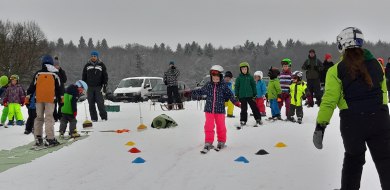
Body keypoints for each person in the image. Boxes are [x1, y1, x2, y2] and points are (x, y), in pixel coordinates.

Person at [313, 27, 390, 190]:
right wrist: (382, 115)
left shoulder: (335, 70)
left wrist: (321, 125)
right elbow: (383, 93)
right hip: (380, 119)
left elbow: (329, 101)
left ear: (342, 45)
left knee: (353, 161)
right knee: (386, 161)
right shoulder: (376, 64)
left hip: (353, 123)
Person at [192, 65, 240, 153]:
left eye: (217, 78)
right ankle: (208, 142)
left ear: (221, 77)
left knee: (221, 126)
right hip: (209, 110)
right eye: (213, 78)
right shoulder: (208, 85)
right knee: (208, 126)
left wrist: (236, 102)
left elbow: (230, 95)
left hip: (220, 110)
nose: (215, 79)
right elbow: (201, 91)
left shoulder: (223, 86)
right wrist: (191, 93)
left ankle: (221, 141)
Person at [27, 55, 62, 147]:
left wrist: (28, 97)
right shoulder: (55, 73)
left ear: (42, 62)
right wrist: (61, 99)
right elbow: (59, 88)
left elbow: (31, 87)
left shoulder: (38, 73)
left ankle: (38, 138)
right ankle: (50, 139)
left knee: (39, 118)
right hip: (50, 99)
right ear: (51, 63)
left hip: (39, 99)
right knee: (49, 118)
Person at [82, 51, 108, 122]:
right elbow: (84, 76)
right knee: (91, 103)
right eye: (92, 56)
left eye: (95, 56)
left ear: (97, 57)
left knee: (100, 103)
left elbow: (105, 76)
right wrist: (84, 86)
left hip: (98, 87)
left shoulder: (101, 65)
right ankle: (94, 118)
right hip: (89, 87)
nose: (93, 57)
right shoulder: (87, 65)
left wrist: (104, 85)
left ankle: (104, 117)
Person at [235, 62, 262, 128]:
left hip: (250, 95)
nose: (244, 70)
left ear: (247, 69)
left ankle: (258, 119)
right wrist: (236, 95)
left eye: (245, 69)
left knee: (254, 107)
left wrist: (255, 94)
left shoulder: (250, 77)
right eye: (242, 69)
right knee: (244, 109)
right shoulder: (239, 78)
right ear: (240, 70)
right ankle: (243, 120)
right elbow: (236, 87)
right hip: (242, 96)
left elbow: (253, 86)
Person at [53, 56, 67, 122]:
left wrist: (60, 72)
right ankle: (55, 117)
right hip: (54, 91)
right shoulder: (52, 72)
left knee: (62, 104)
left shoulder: (62, 71)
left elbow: (65, 80)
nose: (56, 66)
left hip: (61, 90)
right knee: (54, 104)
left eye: (57, 65)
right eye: (55, 65)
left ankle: (60, 116)